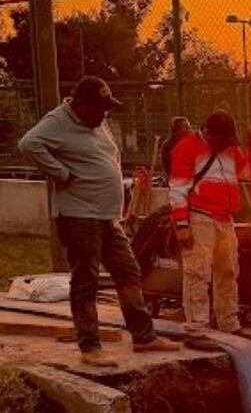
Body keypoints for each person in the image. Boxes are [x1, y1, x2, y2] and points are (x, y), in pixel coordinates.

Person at [18, 76, 180, 367]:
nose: (104, 114)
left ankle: (144, 337)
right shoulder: (58, 121)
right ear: (80, 104)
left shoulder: (97, 121)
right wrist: (60, 172)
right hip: (79, 216)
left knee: (129, 272)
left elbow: (104, 158)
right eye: (99, 108)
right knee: (86, 280)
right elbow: (28, 144)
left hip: (106, 217)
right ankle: (90, 346)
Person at [170, 110, 251, 350]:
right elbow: (178, 189)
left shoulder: (229, 149)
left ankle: (228, 321)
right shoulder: (186, 148)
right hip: (200, 218)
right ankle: (196, 328)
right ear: (209, 134)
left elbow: (247, 171)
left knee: (228, 271)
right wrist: (182, 225)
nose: (228, 145)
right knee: (198, 273)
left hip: (224, 219)